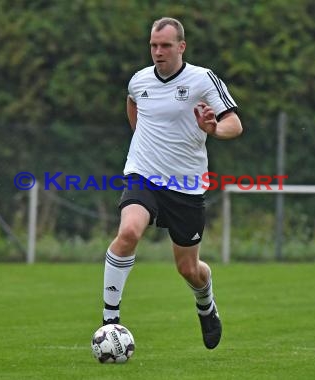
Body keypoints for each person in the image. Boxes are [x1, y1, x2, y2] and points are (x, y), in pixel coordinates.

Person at [101, 17, 243, 350]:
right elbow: (133, 103)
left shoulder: (202, 79)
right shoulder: (139, 80)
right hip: (143, 175)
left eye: (165, 45)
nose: (158, 52)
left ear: (181, 46)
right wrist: (143, 141)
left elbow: (234, 124)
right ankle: (110, 323)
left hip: (187, 186)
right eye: (153, 45)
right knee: (129, 232)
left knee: (189, 269)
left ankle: (206, 305)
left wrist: (212, 130)